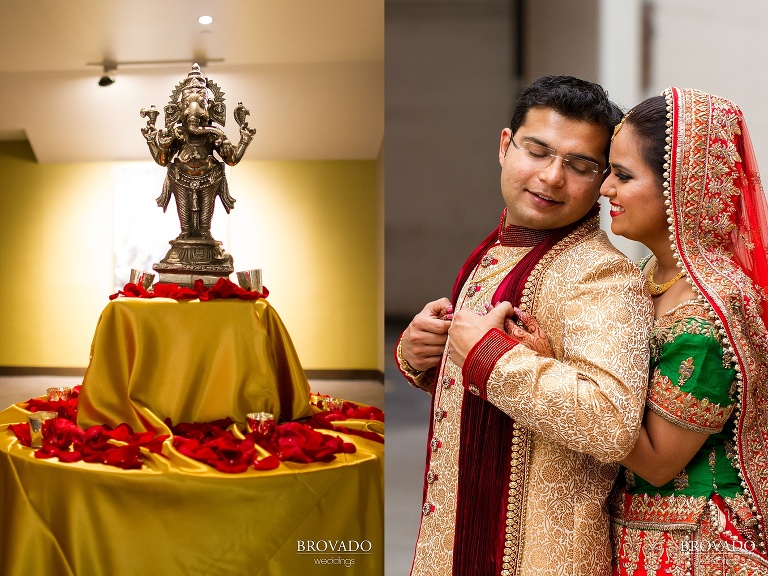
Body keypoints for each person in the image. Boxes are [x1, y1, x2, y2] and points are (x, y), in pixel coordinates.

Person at [396, 75, 655, 575]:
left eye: (579, 166)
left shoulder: (601, 275)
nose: (553, 177)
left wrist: (488, 356)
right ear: (504, 146)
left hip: (540, 556)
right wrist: (422, 355)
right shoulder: (495, 251)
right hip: (455, 539)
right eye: (538, 152)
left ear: (601, 180)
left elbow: (613, 422)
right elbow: (484, 383)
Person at [599, 89, 768, 573]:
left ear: (679, 187)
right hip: (642, 536)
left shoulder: (708, 314)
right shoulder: (651, 274)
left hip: (695, 548)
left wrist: (551, 379)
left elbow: (657, 461)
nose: (606, 189)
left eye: (623, 175)